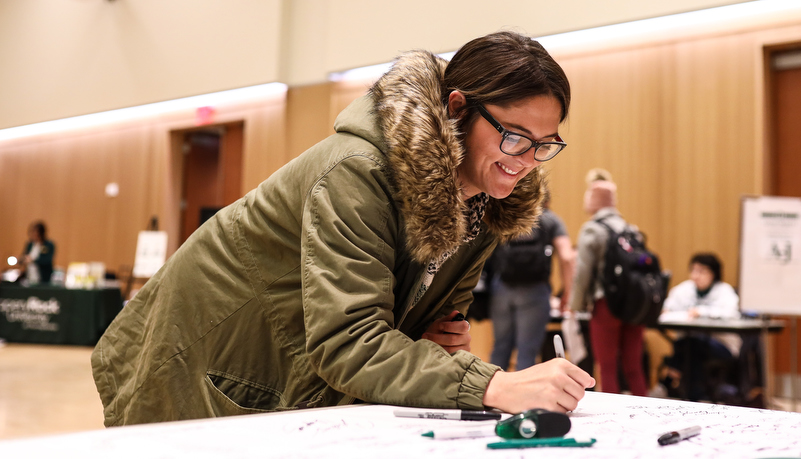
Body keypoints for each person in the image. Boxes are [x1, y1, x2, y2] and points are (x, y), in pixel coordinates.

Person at [91, 31, 595, 426]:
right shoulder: (356, 172)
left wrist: (429, 336)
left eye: (545, 144)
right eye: (513, 137)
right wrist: (494, 385)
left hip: (292, 369)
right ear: (457, 109)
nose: (527, 160)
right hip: (205, 353)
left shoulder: (486, 202)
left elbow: (429, 329)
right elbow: (350, 343)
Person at [569, 169, 648, 396]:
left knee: (607, 367)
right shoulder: (631, 229)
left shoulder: (592, 229)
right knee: (634, 367)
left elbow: (583, 272)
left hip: (606, 304)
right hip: (635, 305)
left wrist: (575, 305)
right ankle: (648, 411)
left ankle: (612, 419)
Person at [488, 186, 575, 370]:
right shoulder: (551, 220)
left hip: (502, 288)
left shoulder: (509, 217)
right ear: (547, 201)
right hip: (534, 292)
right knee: (527, 351)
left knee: (500, 347)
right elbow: (567, 257)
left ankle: (490, 397)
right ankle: (522, 398)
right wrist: (567, 293)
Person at [661, 252, 741, 401]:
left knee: (688, 345)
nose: (695, 276)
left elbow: (731, 313)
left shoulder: (724, 291)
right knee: (689, 347)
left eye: (702, 271)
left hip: (722, 345)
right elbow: (667, 308)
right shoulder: (684, 289)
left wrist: (702, 312)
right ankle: (693, 397)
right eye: (693, 270)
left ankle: (669, 382)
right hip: (691, 344)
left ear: (714, 274)